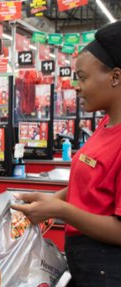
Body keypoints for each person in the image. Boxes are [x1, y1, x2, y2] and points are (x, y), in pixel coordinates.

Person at [11, 20, 121, 286]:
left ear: (116, 77)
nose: (76, 86)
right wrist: (48, 203)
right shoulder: (105, 124)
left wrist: (62, 210)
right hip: (85, 264)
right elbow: (88, 188)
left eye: (82, 78)